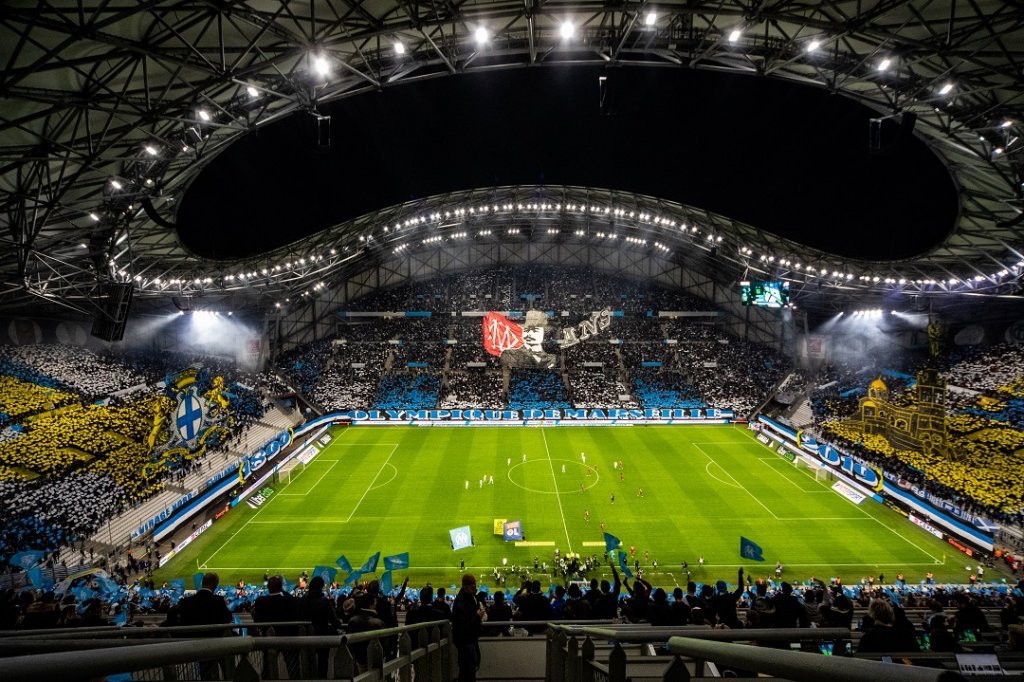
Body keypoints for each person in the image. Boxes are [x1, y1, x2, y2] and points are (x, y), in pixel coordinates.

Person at [298, 575, 341, 677]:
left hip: (306, 636)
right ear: (321, 587)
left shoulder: (303, 599)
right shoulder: (324, 601)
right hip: (322, 636)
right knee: (322, 661)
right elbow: (334, 621)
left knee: (307, 660)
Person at [451, 573, 485, 682]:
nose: (474, 586)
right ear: (465, 586)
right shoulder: (461, 601)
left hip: (469, 639)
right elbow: (464, 625)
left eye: (474, 583)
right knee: (469, 670)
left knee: (468, 669)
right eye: (471, 584)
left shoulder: (468, 597)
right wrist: (477, 616)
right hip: (465, 640)